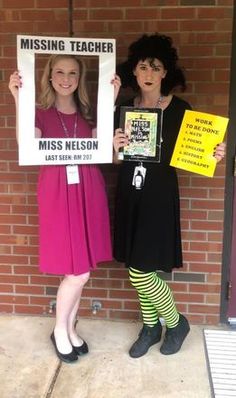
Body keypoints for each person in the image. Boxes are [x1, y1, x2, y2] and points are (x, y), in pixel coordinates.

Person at [113, 33, 226, 358]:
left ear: (165, 73)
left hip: (159, 194)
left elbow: (196, 151)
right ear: (134, 72)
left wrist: (213, 153)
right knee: (137, 263)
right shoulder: (123, 107)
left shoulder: (180, 109)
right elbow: (117, 160)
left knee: (141, 270)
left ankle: (175, 322)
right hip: (129, 190)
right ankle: (151, 326)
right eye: (142, 67)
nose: (148, 73)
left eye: (155, 67)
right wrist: (115, 149)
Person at [9, 54, 118, 363]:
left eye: (72, 72)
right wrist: (18, 98)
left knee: (81, 266)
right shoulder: (41, 113)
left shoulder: (86, 113)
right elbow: (26, 144)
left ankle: (70, 327)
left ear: (79, 77)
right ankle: (59, 329)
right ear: (49, 76)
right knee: (77, 271)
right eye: (59, 71)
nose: (66, 77)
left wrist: (110, 100)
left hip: (88, 187)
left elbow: (103, 146)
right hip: (57, 189)